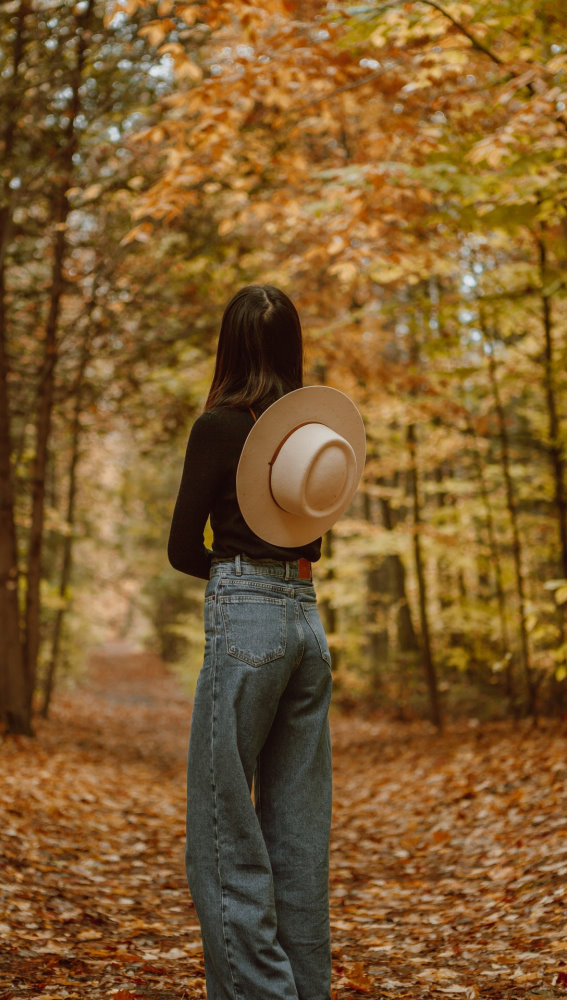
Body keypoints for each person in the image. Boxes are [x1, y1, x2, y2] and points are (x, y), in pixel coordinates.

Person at [168, 284, 365, 1000]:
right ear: (290, 347)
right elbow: (308, 540)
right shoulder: (309, 440)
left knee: (223, 833)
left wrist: (231, 575)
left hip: (245, 621)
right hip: (307, 626)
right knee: (297, 834)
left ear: (229, 345)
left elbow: (181, 548)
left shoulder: (218, 427)